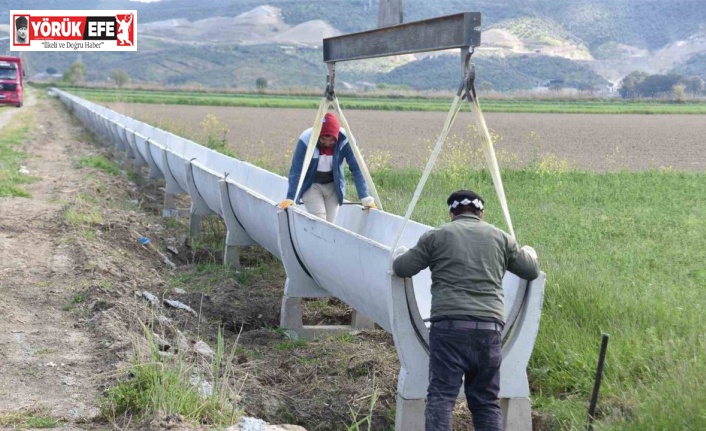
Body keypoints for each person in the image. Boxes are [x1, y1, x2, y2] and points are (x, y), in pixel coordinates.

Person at [392, 190, 540, 431]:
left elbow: (402, 267)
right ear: (481, 213)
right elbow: (531, 270)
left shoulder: (436, 237)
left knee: (441, 398)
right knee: (485, 402)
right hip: (489, 331)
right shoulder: (500, 238)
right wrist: (530, 251)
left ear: (452, 213)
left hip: (448, 331)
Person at [278, 112, 376, 222]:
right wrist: (291, 198)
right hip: (311, 185)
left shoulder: (346, 140)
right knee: (320, 219)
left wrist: (365, 197)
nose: (327, 144)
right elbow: (296, 170)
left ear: (337, 137)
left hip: (333, 186)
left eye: (331, 141)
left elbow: (357, 168)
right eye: (323, 140)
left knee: (330, 223)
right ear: (318, 135)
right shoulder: (305, 140)